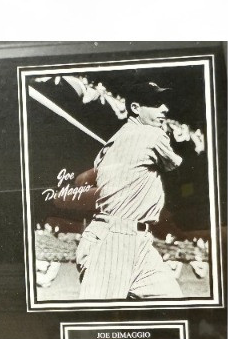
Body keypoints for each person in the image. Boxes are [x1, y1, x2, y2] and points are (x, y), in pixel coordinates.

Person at [76, 82, 183, 300]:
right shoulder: (153, 134)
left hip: (138, 242)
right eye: (155, 104)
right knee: (99, 317)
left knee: (172, 303)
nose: (164, 109)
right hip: (114, 241)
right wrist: (161, 134)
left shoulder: (111, 143)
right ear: (135, 108)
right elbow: (174, 163)